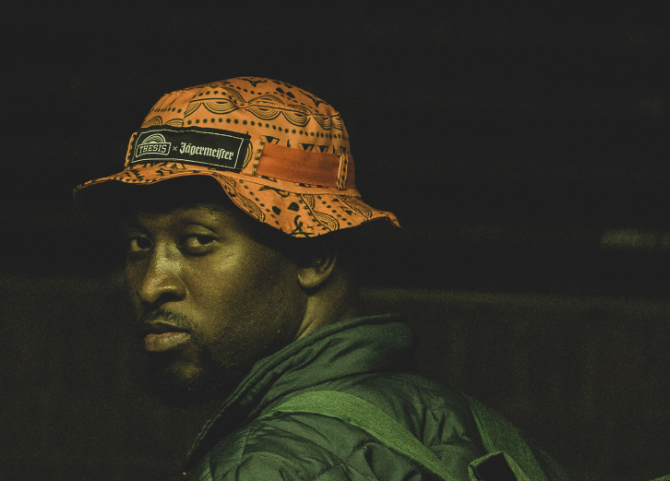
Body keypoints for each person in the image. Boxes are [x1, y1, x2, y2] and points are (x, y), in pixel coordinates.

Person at [74, 77, 569, 481]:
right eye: (138, 242)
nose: (150, 285)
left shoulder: (267, 467)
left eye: (198, 241)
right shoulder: (473, 431)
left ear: (314, 255)